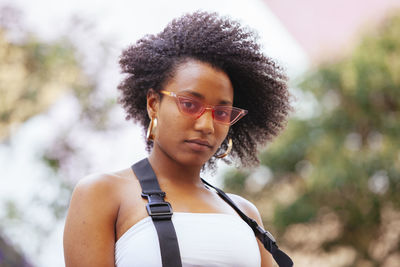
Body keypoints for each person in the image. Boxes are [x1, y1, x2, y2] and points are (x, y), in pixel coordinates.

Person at [63, 11, 291, 267]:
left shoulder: (246, 214)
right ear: (153, 104)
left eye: (221, 112)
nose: (206, 125)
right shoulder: (102, 194)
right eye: (189, 104)